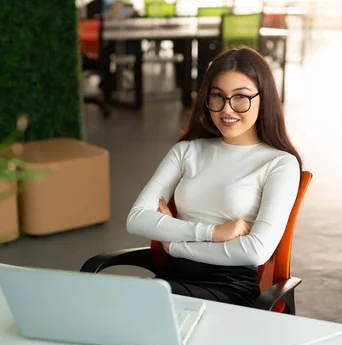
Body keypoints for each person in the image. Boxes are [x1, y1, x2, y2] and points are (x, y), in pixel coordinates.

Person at [126, 46, 303, 308]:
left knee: (133, 300)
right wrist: (214, 232)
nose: (227, 110)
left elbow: (255, 251)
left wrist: (174, 245)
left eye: (241, 98)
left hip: (228, 290)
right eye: (217, 97)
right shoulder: (187, 150)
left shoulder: (279, 163)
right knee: (121, 301)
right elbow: (137, 219)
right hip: (171, 280)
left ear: (263, 99)